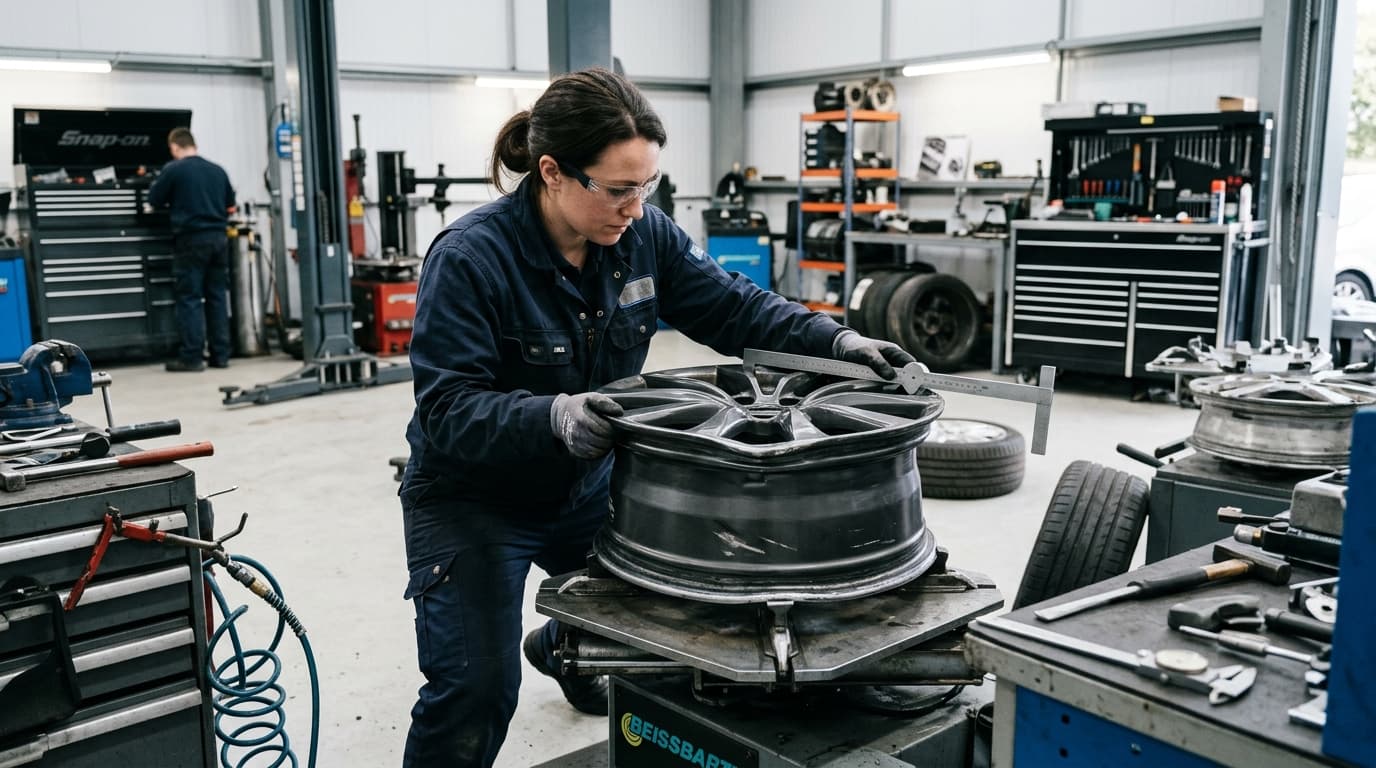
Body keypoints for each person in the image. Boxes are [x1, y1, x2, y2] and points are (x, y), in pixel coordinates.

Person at [399, 67, 914, 767]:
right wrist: (552, 415)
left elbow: (736, 307)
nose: (635, 207)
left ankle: (565, 645)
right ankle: (551, 650)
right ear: (551, 172)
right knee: (476, 687)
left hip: (584, 486)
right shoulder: (470, 258)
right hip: (474, 498)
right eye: (618, 189)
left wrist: (837, 341)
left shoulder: (644, 237)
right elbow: (449, 408)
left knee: (681, 621)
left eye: (647, 187)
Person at [146, 127, 235, 372]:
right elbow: (230, 206)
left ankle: (192, 357)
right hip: (219, 239)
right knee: (217, 297)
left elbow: (153, 200)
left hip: (192, 240)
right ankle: (221, 355)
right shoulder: (218, 170)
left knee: (190, 298)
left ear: (175, 147)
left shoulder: (174, 169)